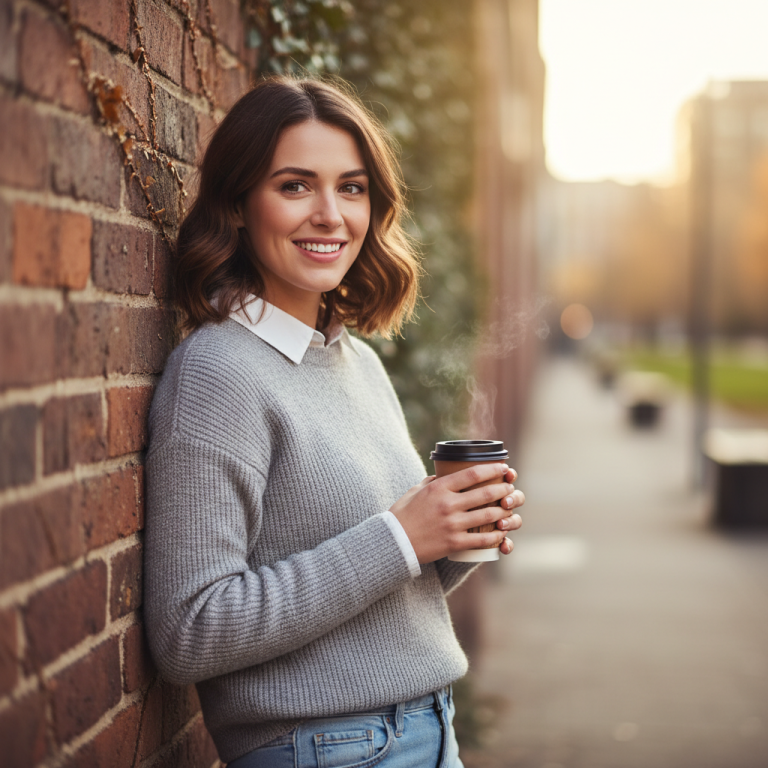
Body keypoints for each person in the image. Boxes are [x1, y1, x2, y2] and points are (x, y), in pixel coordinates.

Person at [144, 75, 525, 768]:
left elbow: (382, 583)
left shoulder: (356, 362)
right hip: (327, 750)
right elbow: (189, 631)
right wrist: (402, 536)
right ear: (237, 204)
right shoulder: (218, 373)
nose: (330, 214)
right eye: (295, 186)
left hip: (429, 731)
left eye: (351, 188)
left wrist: (457, 534)